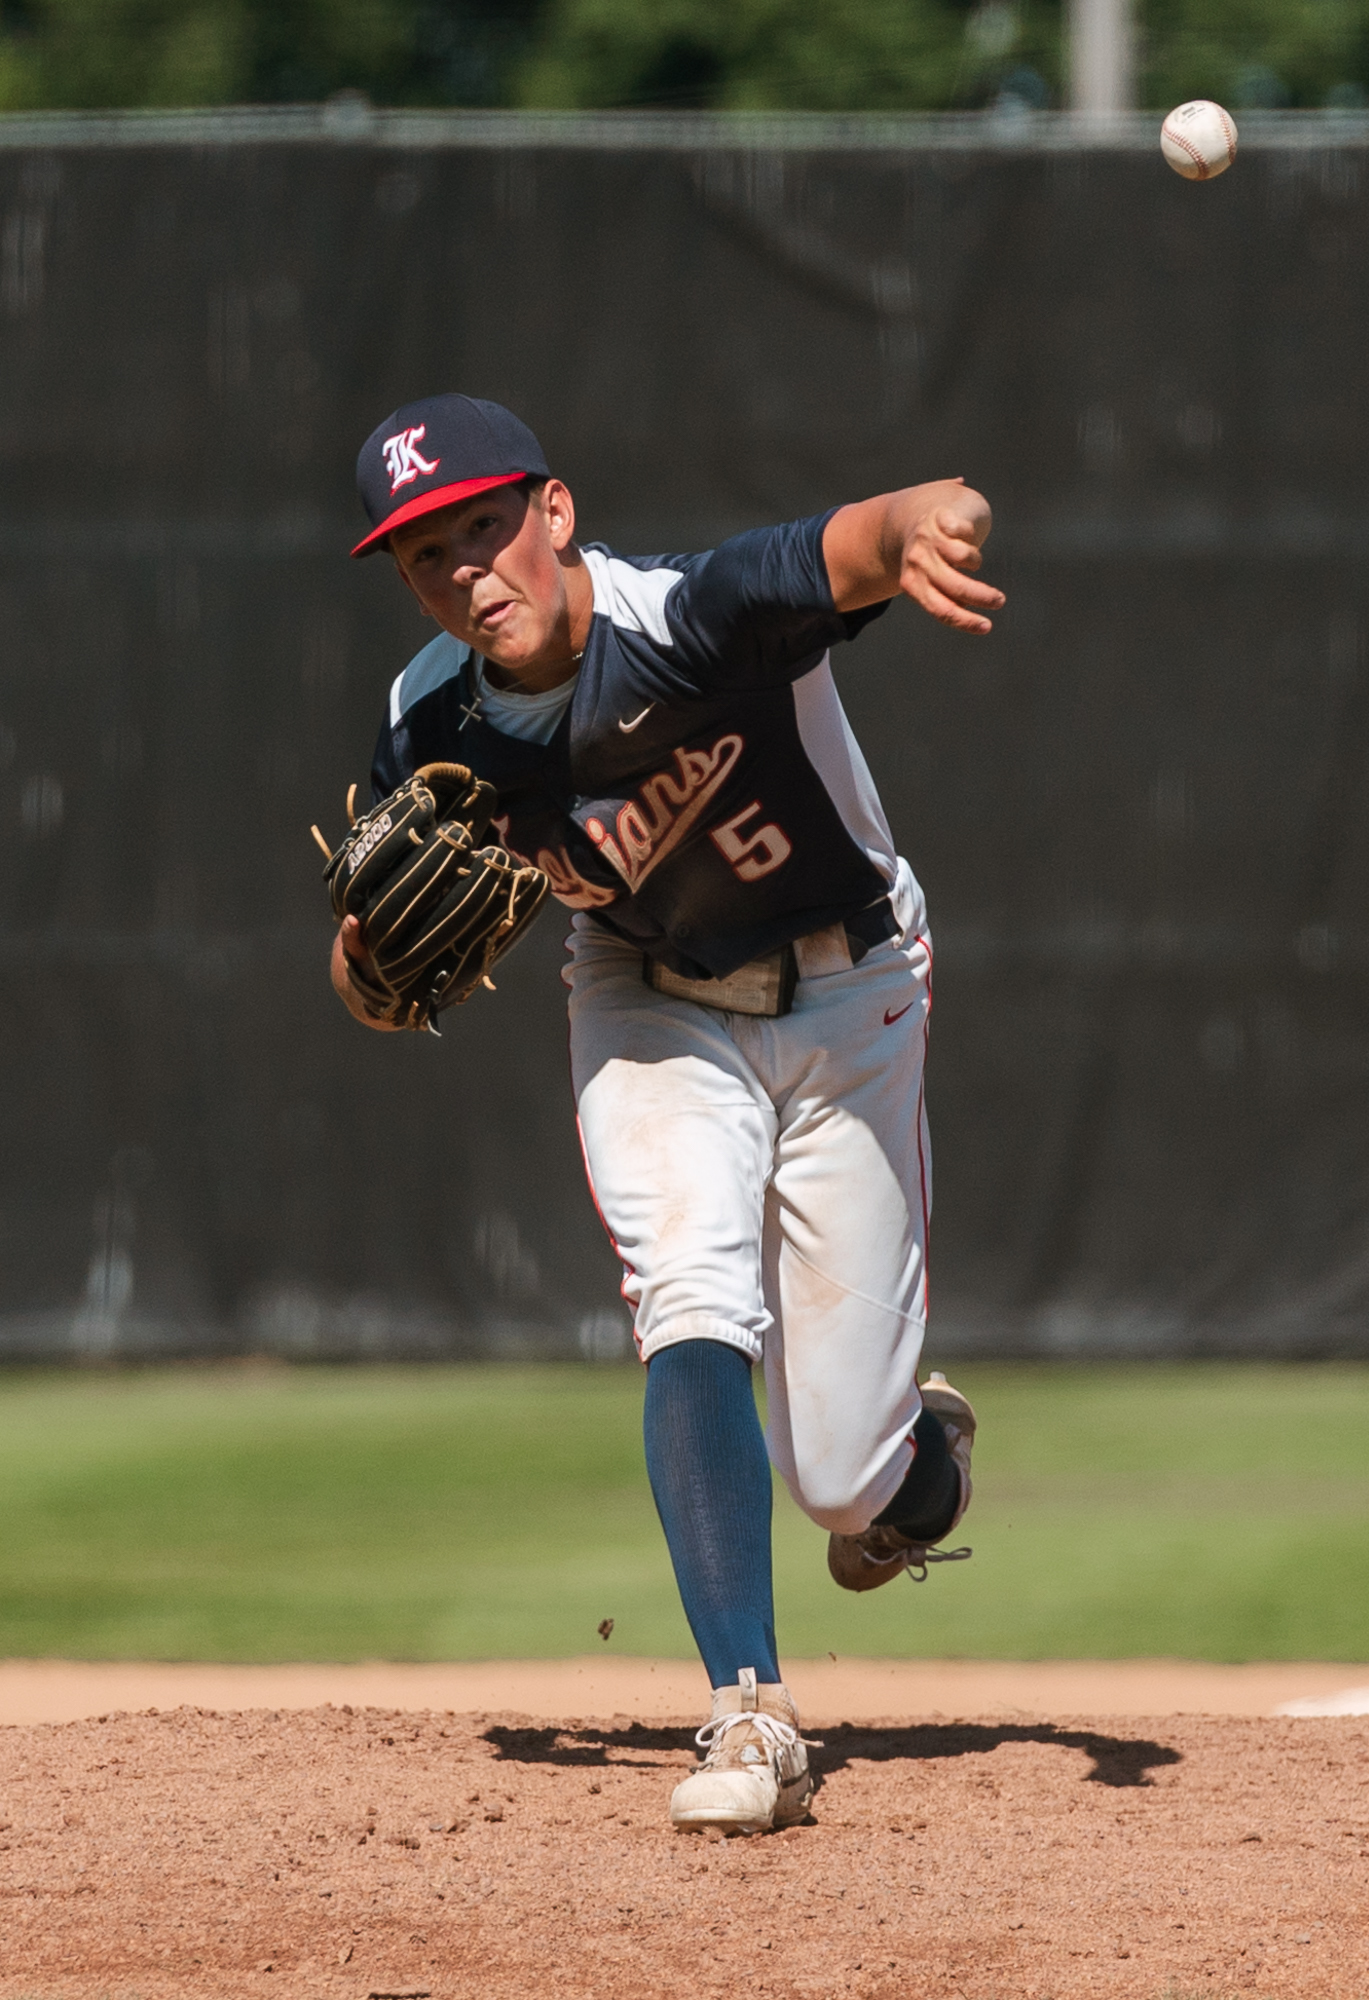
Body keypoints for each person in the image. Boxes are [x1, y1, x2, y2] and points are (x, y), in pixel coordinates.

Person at [332, 393, 1002, 1834]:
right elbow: (368, 971)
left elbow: (875, 532)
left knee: (839, 1481)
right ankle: (749, 1710)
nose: (465, 570)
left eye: (485, 527)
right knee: (689, 1286)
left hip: (849, 993)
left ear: (554, 513)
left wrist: (938, 523)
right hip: (648, 991)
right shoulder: (427, 722)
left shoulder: (692, 616)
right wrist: (371, 969)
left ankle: (916, 1467)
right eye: (424, 554)